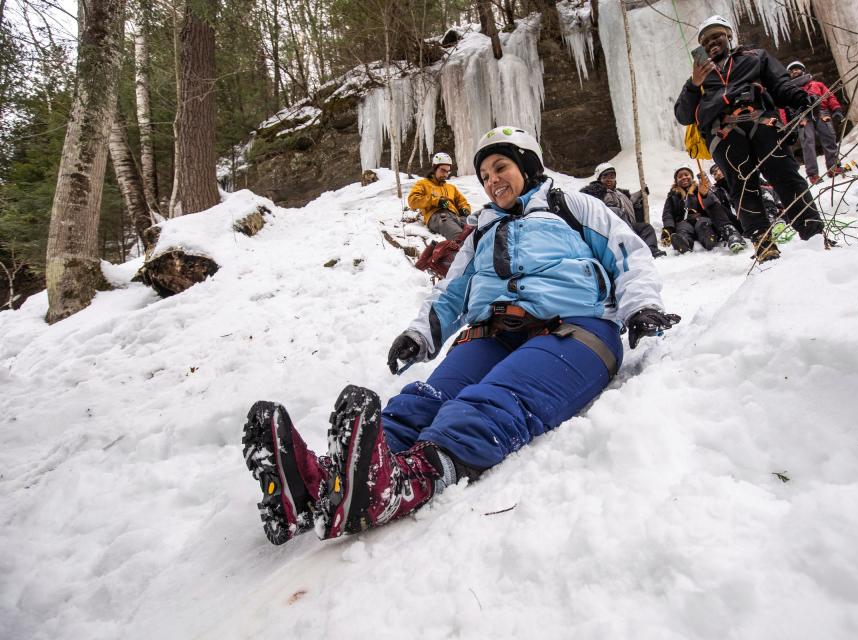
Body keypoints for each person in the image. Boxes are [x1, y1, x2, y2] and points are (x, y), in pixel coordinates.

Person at [241, 126, 681, 545]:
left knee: (492, 399)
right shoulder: (482, 230)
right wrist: (420, 334)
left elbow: (628, 254)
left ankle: (409, 482)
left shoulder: (572, 206)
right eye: (485, 176)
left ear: (526, 166)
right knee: (420, 402)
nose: (492, 182)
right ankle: (320, 485)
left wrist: (642, 308)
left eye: (500, 169)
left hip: (575, 329)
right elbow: (452, 293)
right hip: (493, 332)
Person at [674, 14, 829, 262]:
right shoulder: (698, 79)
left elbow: (780, 85)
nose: (712, 44)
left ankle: (814, 234)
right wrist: (694, 84)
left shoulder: (755, 57)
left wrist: (801, 97)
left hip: (762, 124)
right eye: (706, 42)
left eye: (717, 37)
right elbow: (683, 115)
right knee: (743, 188)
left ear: (729, 36)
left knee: (787, 178)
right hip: (725, 136)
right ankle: (763, 243)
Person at [580, 163, 666, 258]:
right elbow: (591, 207)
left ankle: (651, 250)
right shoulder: (596, 193)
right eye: (605, 176)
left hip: (629, 226)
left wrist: (641, 193)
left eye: (612, 176)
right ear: (599, 178)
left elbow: (631, 199)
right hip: (612, 230)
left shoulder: (620, 194)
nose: (609, 179)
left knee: (646, 228)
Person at [785, 61, 845, 184]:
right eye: (791, 71)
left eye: (797, 69)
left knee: (829, 139)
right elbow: (784, 108)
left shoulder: (818, 84)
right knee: (808, 145)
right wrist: (789, 124)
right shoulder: (789, 90)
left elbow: (830, 97)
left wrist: (837, 110)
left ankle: (834, 167)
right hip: (802, 116)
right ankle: (813, 175)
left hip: (822, 112)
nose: (794, 71)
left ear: (803, 70)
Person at [661, 166, 745, 254]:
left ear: (691, 177)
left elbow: (714, 204)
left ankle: (709, 239)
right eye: (680, 176)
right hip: (684, 221)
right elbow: (667, 214)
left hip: (702, 217)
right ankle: (684, 243)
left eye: (686, 175)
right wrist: (668, 228)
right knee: (683, 230)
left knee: (703, 225)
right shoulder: (673, 197)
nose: (684, 177)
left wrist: (705, 195)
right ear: (676, 181)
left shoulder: (700, 189)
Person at [406, 152, 472, 240]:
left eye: (448, 171)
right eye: (442, 170)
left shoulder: (451, 188)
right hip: (437, 216)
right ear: (434, 168)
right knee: (459, 237)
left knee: (477, 232)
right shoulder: (423, 184)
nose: (445, 174)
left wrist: (465, 210)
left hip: (456, 217)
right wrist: (436, 201)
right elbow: (412, 201)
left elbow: (462, 202)